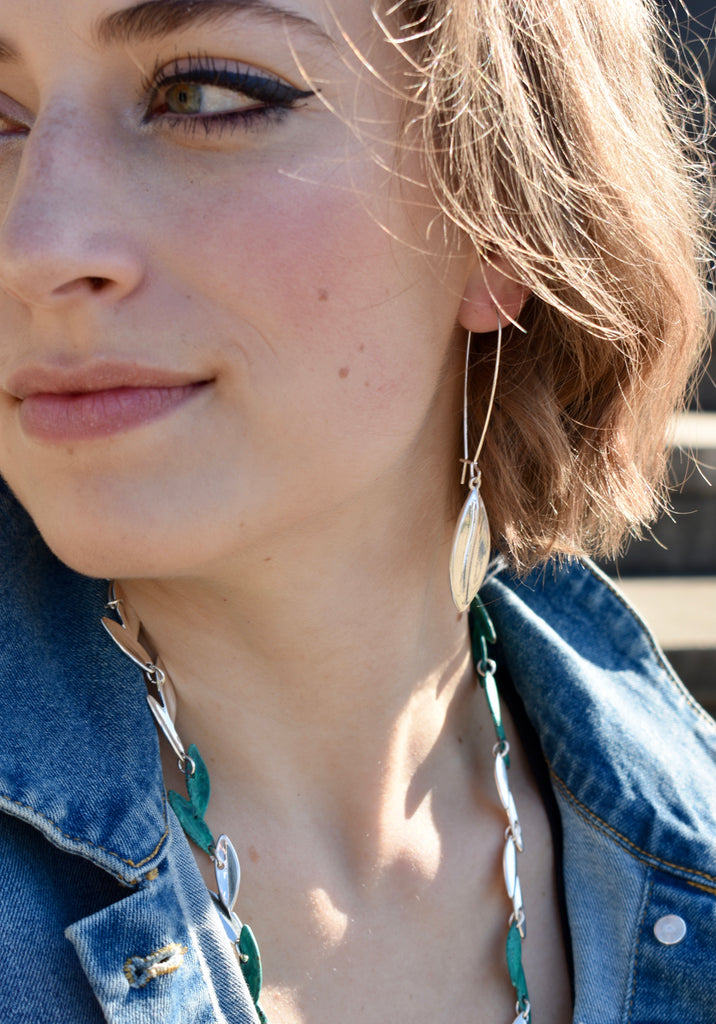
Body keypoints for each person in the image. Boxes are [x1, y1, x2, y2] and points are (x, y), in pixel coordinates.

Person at [0, 0, 714, 1021]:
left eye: (201, 97)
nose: (34, 242)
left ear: (498, 211)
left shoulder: (679, 840)